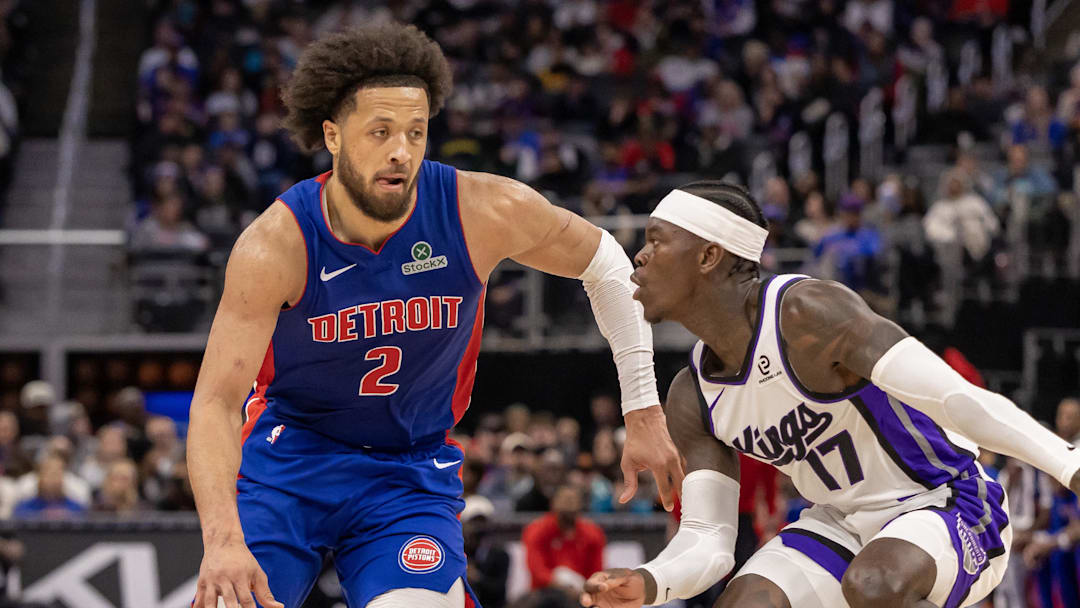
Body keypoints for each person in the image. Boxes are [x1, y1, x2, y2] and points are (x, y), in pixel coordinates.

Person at [187, 23, 682, 608]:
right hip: (289, 460)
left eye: (416, 132)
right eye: (380, 131)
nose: (401, 150)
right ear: (333, 136)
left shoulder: (480, 209)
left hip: (408, 470)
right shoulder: (277, 244)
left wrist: (643, 408)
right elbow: (215, 403)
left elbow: (607, 265)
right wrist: (222, 540)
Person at [581, 181, 1080, 608]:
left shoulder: (806, 313)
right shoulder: (692, 393)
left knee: (874, 584)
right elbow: (709, 538)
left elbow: (955, 399)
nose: (639, 256)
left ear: (709, 256)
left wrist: (1067, 464)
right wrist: (651, 581)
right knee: (745, 602)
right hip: (840, 523)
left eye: (656, 241)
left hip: (948, 500)